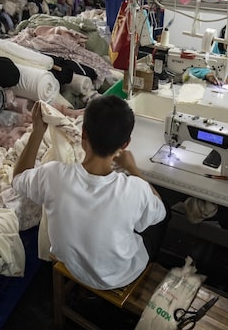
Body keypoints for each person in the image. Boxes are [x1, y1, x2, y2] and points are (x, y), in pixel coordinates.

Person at [12, 97, 167, 290]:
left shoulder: (53, 175)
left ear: (83, 133)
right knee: (160, 212)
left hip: (75, 266)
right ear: (125, 144)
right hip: (120, 275)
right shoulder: (135, 189)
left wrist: (38, 131)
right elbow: (160, 211)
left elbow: (18, 178)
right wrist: (134, 169)